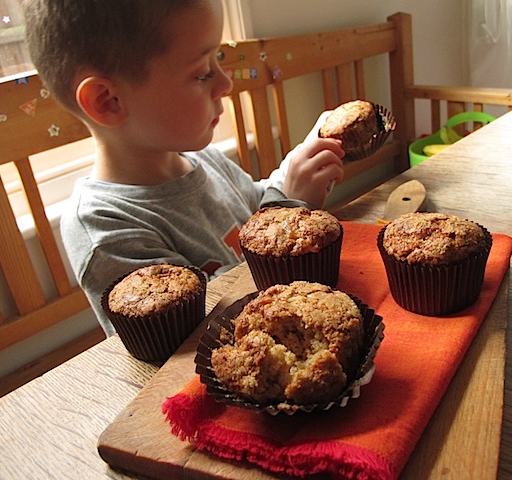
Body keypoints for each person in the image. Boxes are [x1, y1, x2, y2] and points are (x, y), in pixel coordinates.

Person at [24, 0, 345, 336]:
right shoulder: (105, 229)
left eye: (217, 60)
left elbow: (259, 211)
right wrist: (286, 204)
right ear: (108, 101)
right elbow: (196, 333)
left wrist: (305, 172)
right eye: (202, 72)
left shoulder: (204, 159)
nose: (225, 84)